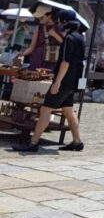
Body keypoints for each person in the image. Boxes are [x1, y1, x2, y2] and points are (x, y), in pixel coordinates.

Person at [13, 9, 86, 152]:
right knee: (69, 111)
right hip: (73, 81)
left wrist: (57, 82)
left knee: (46, 110)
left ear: (64, 23)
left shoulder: (69, 39)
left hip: (64, 81)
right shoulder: (79, 38)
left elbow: (65, 62)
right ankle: (77, 141)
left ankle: (33, 142)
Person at [18, 4, 63, 71]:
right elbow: (32, 46)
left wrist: (55, 35)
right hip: (37, 58)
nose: (39, 19)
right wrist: (24, 53)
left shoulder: (60, 27)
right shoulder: (38, 27)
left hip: (52, 60)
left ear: (49, 15)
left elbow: (65, 43)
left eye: (41, 17)